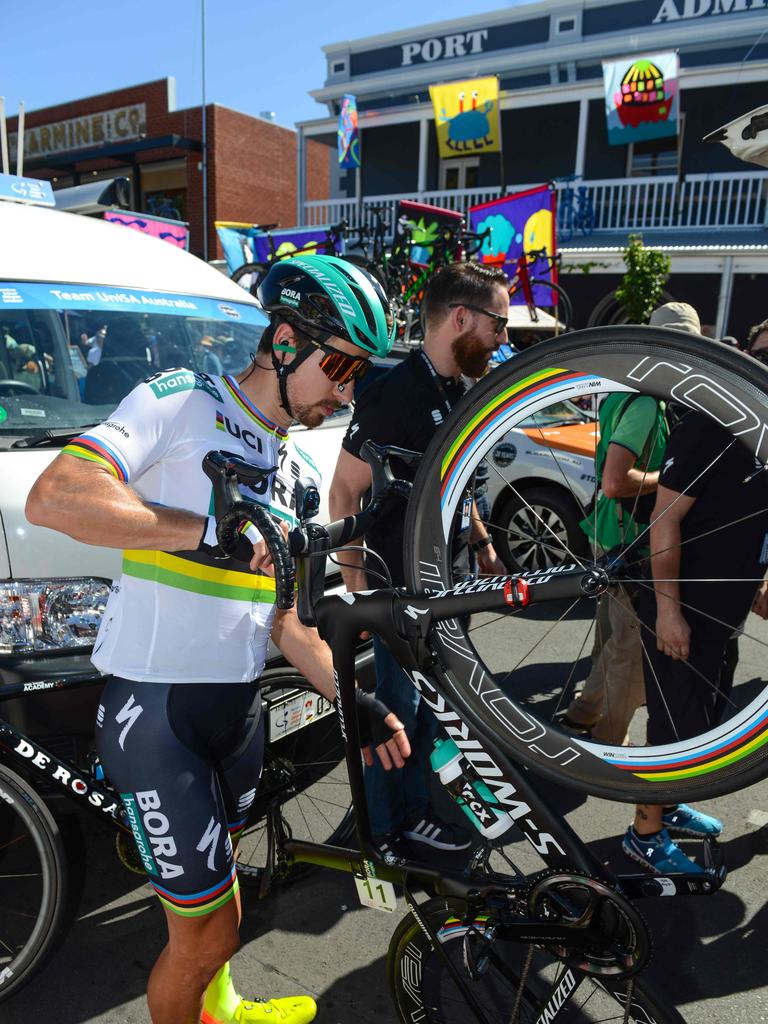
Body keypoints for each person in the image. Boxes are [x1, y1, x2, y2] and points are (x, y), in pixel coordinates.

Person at [25, 254, 410, 1024]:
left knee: (222, 901)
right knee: (205, 937)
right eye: (339, 365)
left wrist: (352, 700)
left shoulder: (295, 470)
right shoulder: (184, 400)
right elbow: (54, 497)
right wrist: (207, 531)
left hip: (234, 717)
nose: (347, 389)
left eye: (358, 373)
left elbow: (284, 623)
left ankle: (218, 1011)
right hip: (158, 714)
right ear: (284, 341)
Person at [330, 261, 509, 860]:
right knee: (398, 716)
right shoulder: (393, 394)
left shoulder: (457, 388)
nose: (504, 337)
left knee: (437, 710)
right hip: (398, 594)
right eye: (498, 323)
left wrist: (481, 541)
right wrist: (360, 593)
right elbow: (342, 493)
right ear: (460, 318)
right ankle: (388, 831)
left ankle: (414, 808)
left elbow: (458, 488)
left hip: (446, 589)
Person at [623, 334, 768, 873]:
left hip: (721, 612)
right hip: (679, 605)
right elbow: (665, 520)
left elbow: (748, 518)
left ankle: (670, 804)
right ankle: (644, 834)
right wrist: (667, 611)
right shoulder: (714, 425)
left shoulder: (764, 434)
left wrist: (757, 581)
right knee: (670, 729)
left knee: (697, 727)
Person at [561, 306, 703, 743]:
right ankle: (607, 744)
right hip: (629, 544)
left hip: (610, 537)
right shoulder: (646, 402)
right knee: (629, 654)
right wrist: (676, 479)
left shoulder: (625, 392)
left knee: (609, 642)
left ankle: (582, 715)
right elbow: (615, 480)